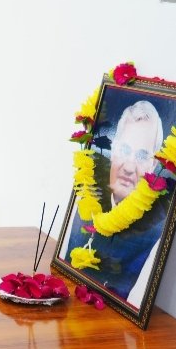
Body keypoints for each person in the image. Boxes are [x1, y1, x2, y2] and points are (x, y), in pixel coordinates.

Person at [66, 100, 166, 301]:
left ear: (153, 165)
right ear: (113, 151)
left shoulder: (157, 233)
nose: (129, 167)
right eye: (125, 150)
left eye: (141, 156)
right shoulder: (86, 191)